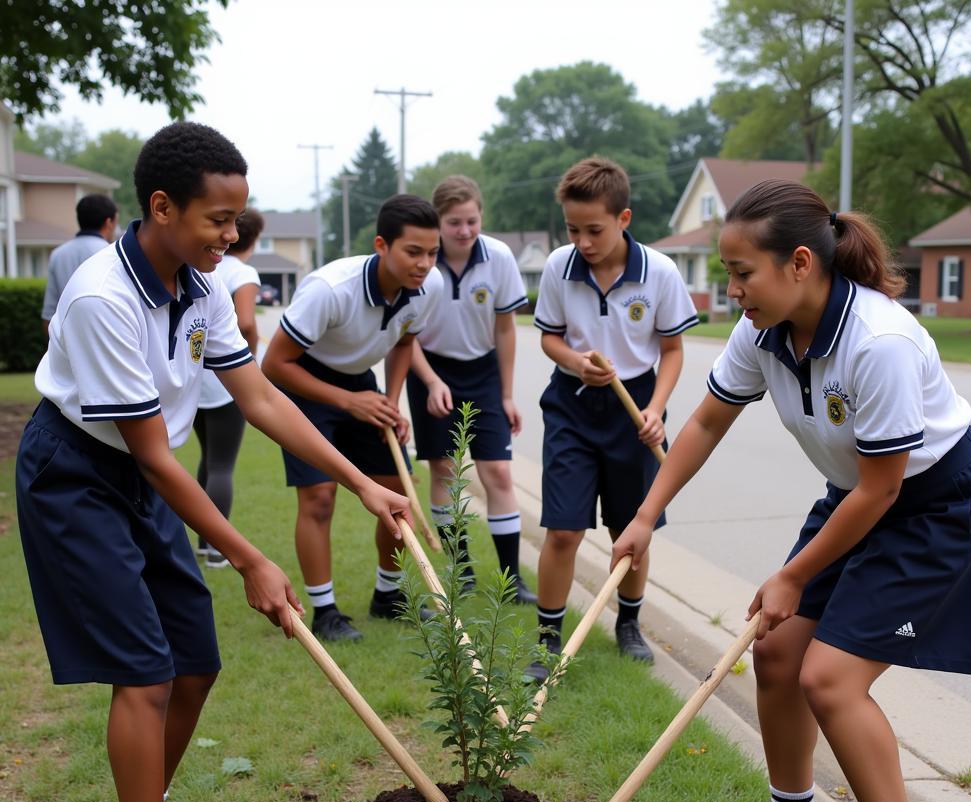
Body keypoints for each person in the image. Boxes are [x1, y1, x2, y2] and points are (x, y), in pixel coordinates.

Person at [16, 122, 410, 802]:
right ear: (161, 207)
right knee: (145, 671)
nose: (232, 237)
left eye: (238, 219)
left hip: (140, 472)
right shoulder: (101, 298)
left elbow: (263, 399)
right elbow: (157, 458)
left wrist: (363, 481)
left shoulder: (199, 290)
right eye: (217, 220)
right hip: (77, 478)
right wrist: (250, 558)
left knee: (194, 659)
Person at [612, 180, 971, 802]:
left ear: (800, 263)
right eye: (727, 274)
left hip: (936, 508)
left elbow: (883, 491)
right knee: (775, 655)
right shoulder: (762, 330)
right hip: (857, 497)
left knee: (828, 677)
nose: (731, 291)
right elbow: (703, 423)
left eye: (742, 273)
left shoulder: (879, 341)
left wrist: (792, 575)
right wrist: (644, 514)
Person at [527, 157, 698, 679]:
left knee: (631, 530)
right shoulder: (559, 266)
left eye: (594, 229)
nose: (583, 241)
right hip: (572, 406)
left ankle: (629, 624)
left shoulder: (660, 273)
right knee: (562, 530)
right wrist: (575, 361)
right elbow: (549, 336)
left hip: (636, 407)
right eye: (573, 229)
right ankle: (548, 639)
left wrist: (654, 409)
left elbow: (672, 350)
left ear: (624, 219)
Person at [261, 195, 443, 643]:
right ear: (382, 245)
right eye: (413, 252)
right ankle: (324, 611)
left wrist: (392, 402)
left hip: (361, 386)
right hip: (305, 383)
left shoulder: (429, 285)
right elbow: (274, 366)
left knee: (396, 492)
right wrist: (348, 401)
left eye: (432, 252)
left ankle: (389, 595)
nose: (424, 263)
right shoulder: (330, 288)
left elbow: (403, 343)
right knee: (320, 498)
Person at [407, 175, 536, 603]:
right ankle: (460, 573)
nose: (464, 231)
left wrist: (505, 394)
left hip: (482, 371)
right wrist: (430, 381)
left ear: (481, 217)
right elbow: (404, 336)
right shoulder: (422, 260)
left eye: (471, 221)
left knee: (496, 470)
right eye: (454, 222)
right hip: (429, 366)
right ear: (438, 222)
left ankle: (511, 579)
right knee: (444, 469)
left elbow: (505, 328)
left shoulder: (498, 257)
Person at [194, 208, 265, 568]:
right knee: (222, 465)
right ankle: (217, 548)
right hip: (225, 380)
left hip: (194, 377)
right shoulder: (243, 272)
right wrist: (248, 363)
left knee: (208, 458)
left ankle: (204, 541)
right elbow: (248, 323)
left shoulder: (202, 263)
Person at [42, 193, 119, 334]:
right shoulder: (114, 255)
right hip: (104, 335)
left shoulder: (58, 254)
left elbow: (49, 314)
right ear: (109, 223)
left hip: (65, 338)